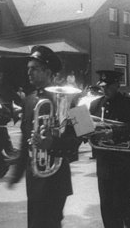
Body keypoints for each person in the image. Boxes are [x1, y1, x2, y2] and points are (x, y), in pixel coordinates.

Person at [8, 45, 79, 228]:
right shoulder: (29, 99)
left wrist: (52, 144)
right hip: (35, 177)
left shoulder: (71, 97)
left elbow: (84, 133)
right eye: (28, 69)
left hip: (56, 177)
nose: (29, 73)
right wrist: (16, 173)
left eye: (34, 69)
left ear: (48, 72)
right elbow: (26, 140)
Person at [88, 70, 130, 228]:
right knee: (107, 207)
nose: (104, 90)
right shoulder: (95, 104)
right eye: (102, 86)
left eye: (108, 86)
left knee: (125, 207)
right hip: (105, 164)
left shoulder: (129, 103)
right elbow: (87, 131)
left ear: (117, 85)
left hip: (126, 164)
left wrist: (114, 132)